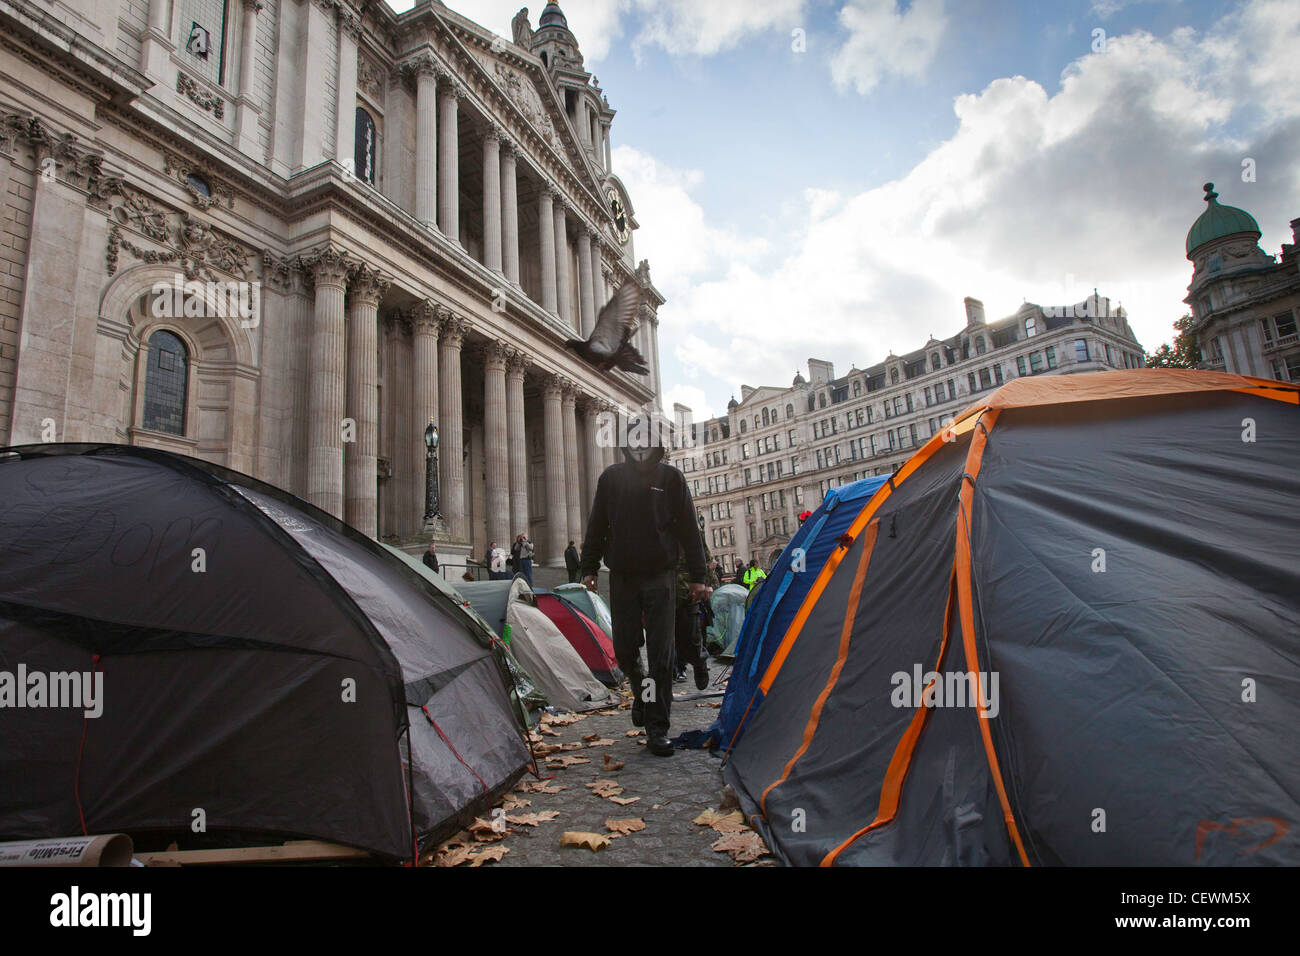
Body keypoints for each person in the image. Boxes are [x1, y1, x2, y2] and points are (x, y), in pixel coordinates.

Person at [581, 413, 709, 758]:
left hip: (660, 576)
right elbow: (597, 525)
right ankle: (642, 693)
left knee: (661, 657)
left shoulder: (672, 479)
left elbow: (689, 531)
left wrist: (699, 576)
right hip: (622, 575)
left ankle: (657, 728)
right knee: (624, 650)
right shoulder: (611, 479)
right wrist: (588, 566)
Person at [674, 525, 716, 689]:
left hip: (687, 591)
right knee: (663, 639)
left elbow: (704, 557)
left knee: (691, 636)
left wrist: (706, 583)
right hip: (660, 591)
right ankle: (673, 672)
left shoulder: (687, 524)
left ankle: (699, 661)